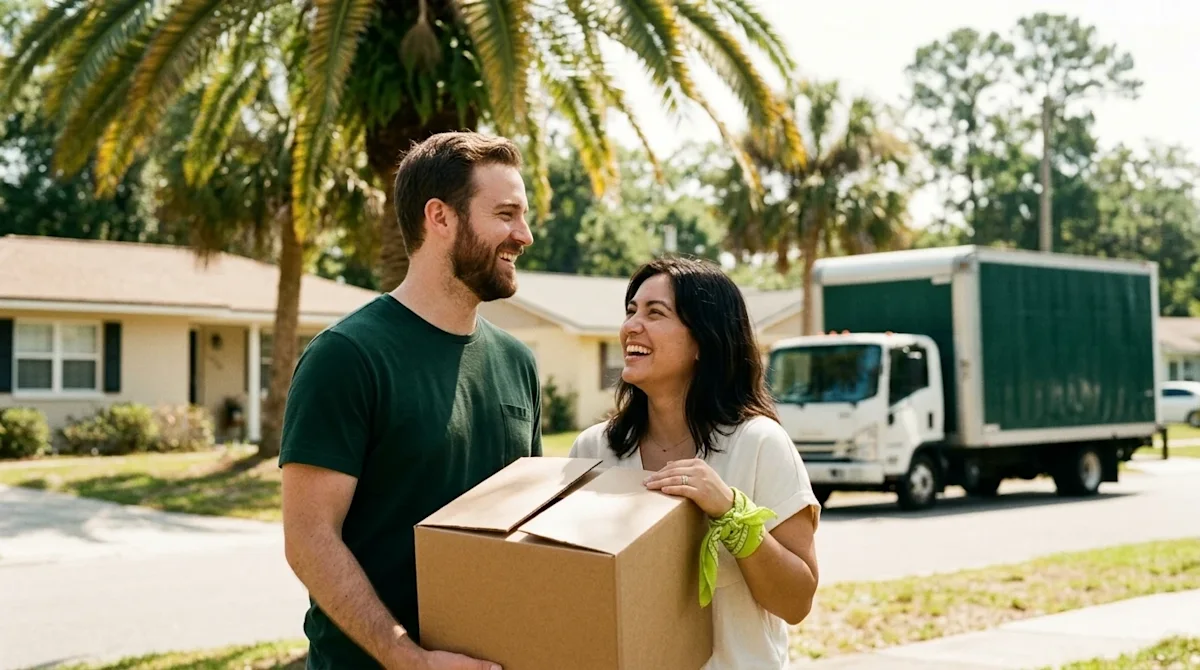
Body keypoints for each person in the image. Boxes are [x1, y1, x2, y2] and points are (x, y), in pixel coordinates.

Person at [279, 131, 541, 670]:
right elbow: (308, 538)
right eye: (507, 214)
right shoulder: (347, 356)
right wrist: (408, 658)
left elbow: (530, 527)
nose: (525, 235)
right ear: (440, 218)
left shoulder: (519, 363)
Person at [570, 256, 820, 670]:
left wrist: (733, 515)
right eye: (631, 310)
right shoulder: (593, 452)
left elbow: (796, 602)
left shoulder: (759, 444)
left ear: (704, 339)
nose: (632, 325)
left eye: (655, 313)